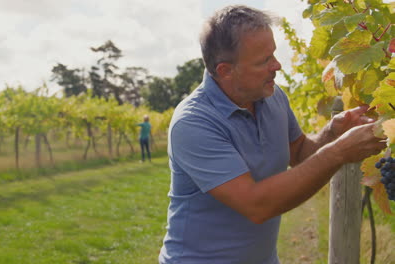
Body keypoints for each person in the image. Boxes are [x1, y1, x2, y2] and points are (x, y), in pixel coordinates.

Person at [158, 5, 386, 264]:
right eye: (263, 60)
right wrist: (339, 152)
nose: (276, 65)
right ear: (225, 71)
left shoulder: (272, 96)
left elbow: (300, 153)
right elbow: (257, 205)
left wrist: (333, 132)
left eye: (274, 54)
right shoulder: (194, 123)